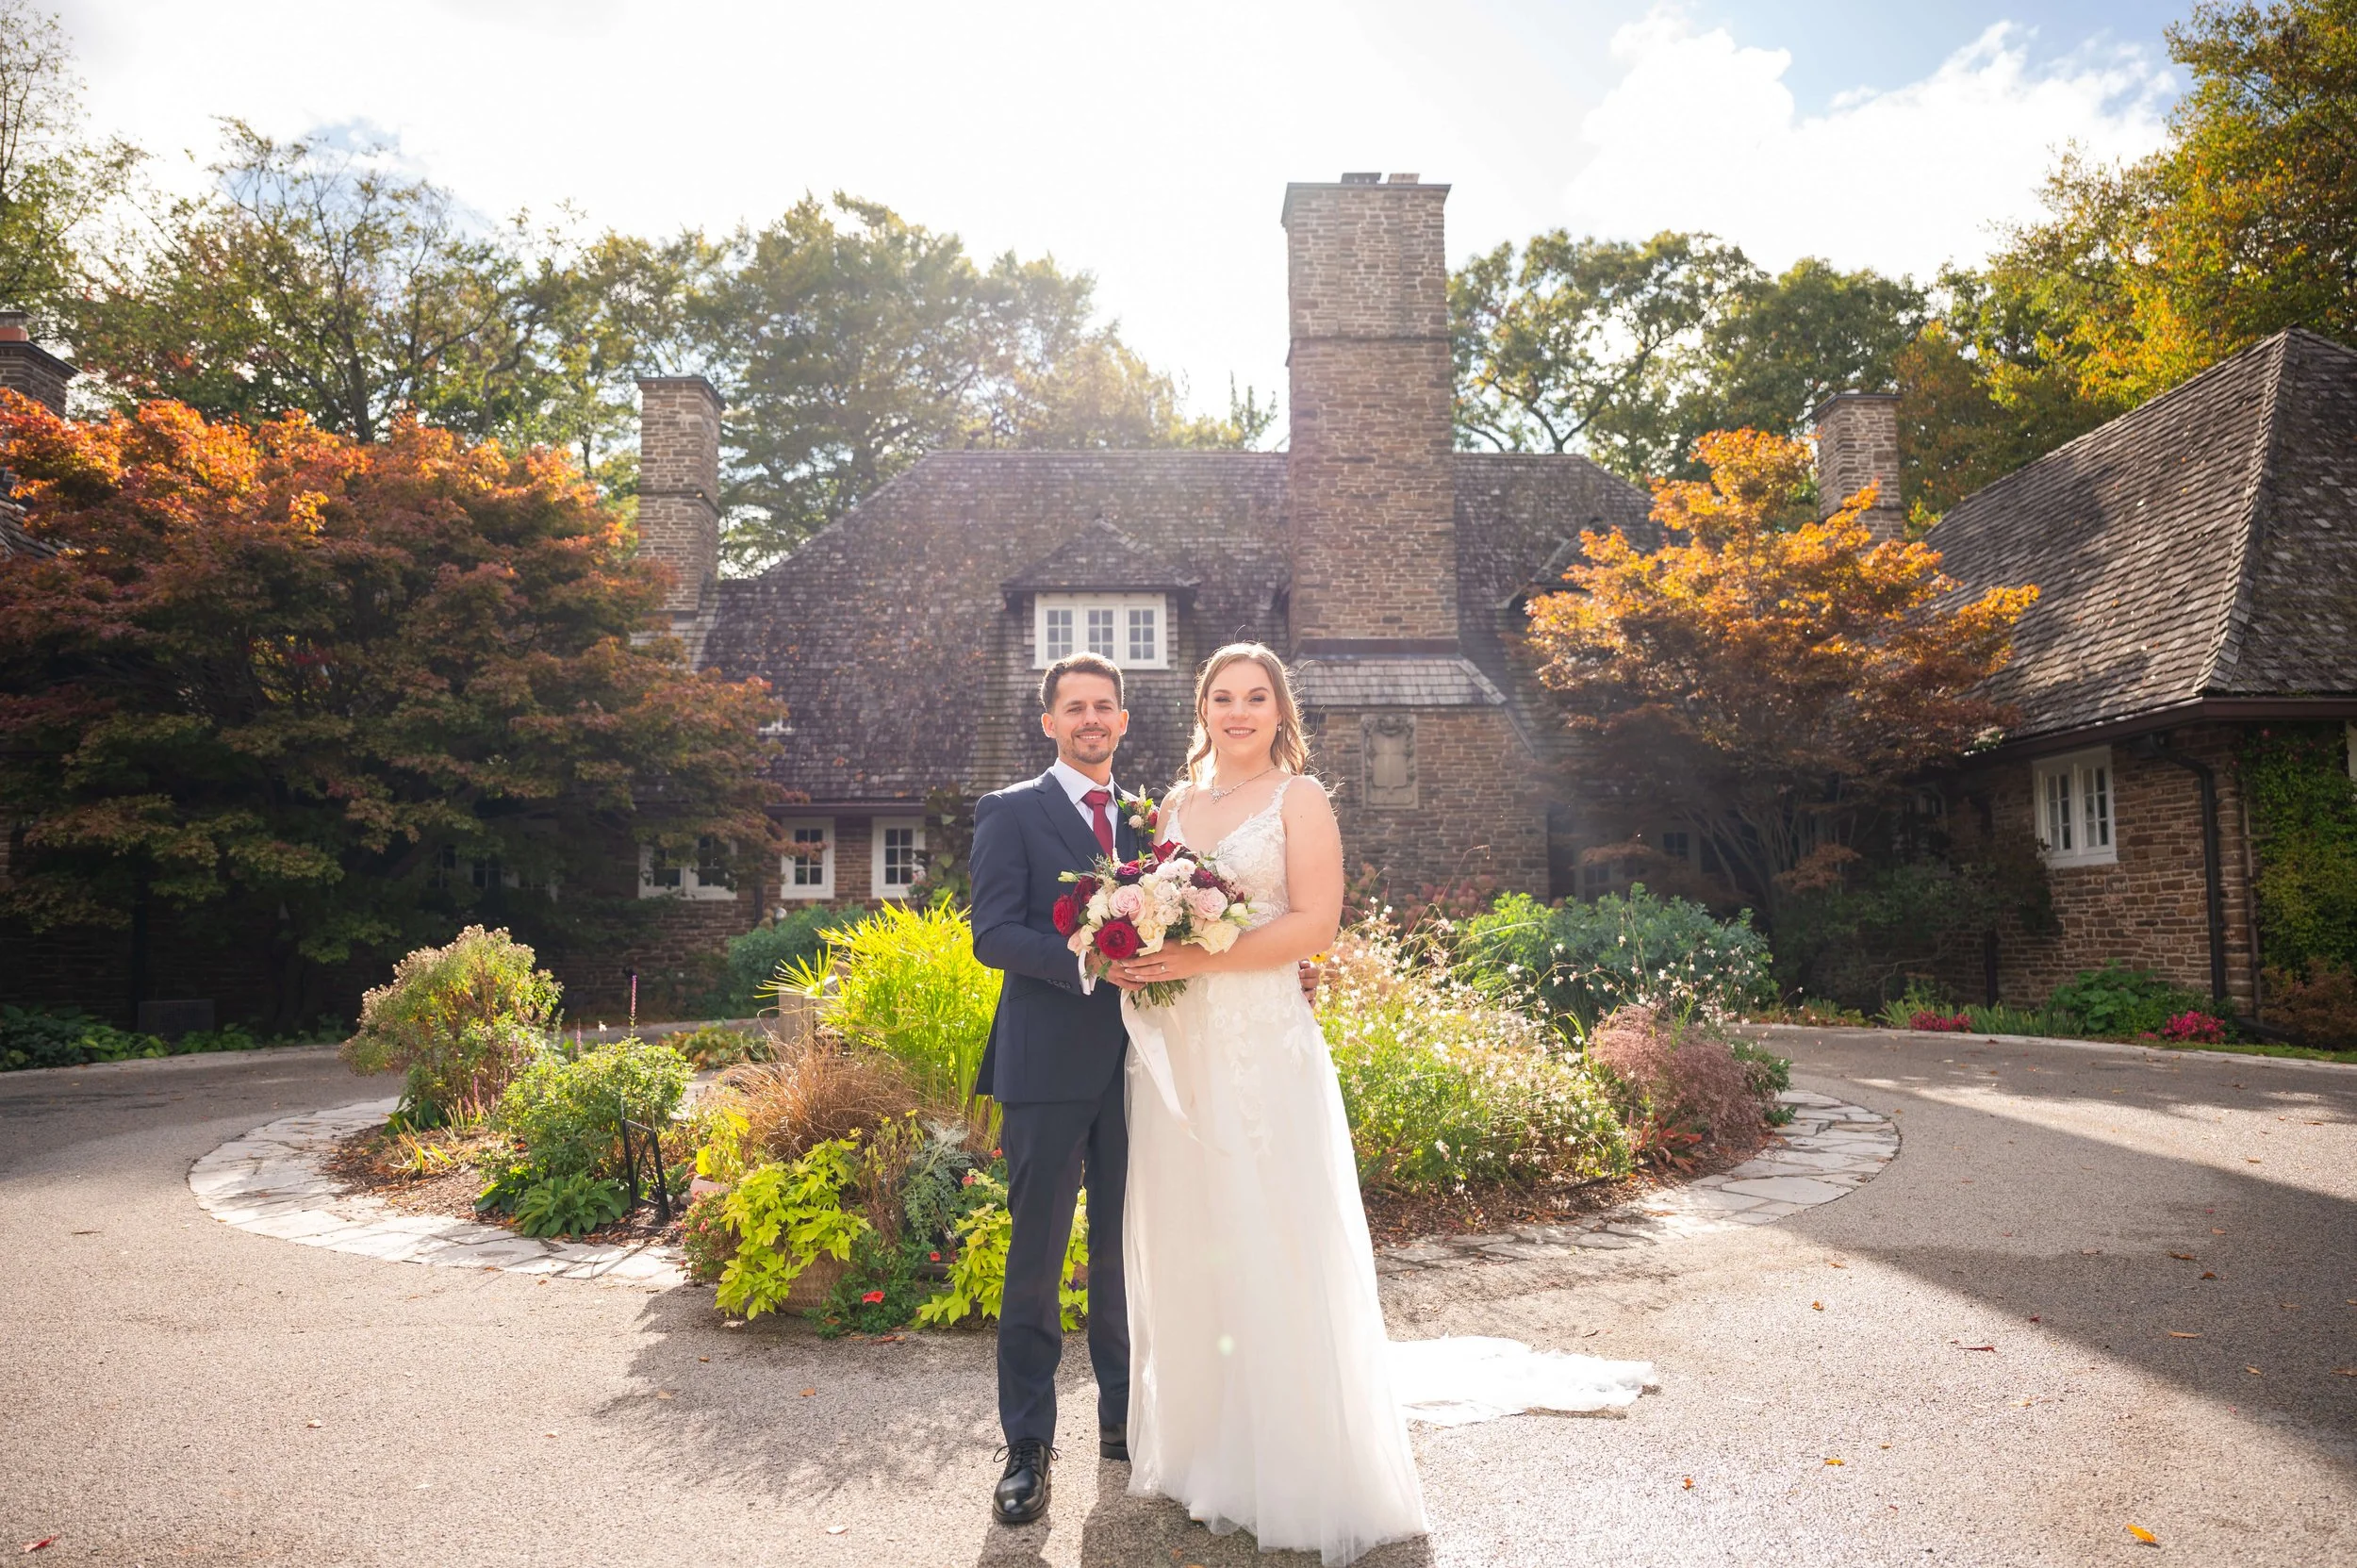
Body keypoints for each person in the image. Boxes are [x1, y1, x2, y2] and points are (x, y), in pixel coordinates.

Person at [1105, 643, 1427, 1565]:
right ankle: (1209, 1452)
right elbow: (1159, 909)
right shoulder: (1173, 804)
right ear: (1201, 708)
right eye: (1222, 696)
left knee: (1269, 1233)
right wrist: (1134, 946)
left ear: (1279, 712)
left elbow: (1314, 924)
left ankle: (1292, 1467)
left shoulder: (1302, 800)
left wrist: (1200, 955)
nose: (1237, 710)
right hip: (1183, 1049)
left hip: (1259, 1045)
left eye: (1255, 697)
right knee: (1192, 1235)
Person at [967, 652, 1142, 1527]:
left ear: (1122, 717)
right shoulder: (1012, 813)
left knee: (1123, 1249)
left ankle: (1123, 1420)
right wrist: (1089, 957)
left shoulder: (1151, 822)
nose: (1090, 720)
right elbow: (992, 933)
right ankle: (1029, 1444)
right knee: (1035, 1259)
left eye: (1103, 707)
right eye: (1074, 708)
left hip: (1142, 1067)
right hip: (1042, 1064)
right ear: (1049, 722)